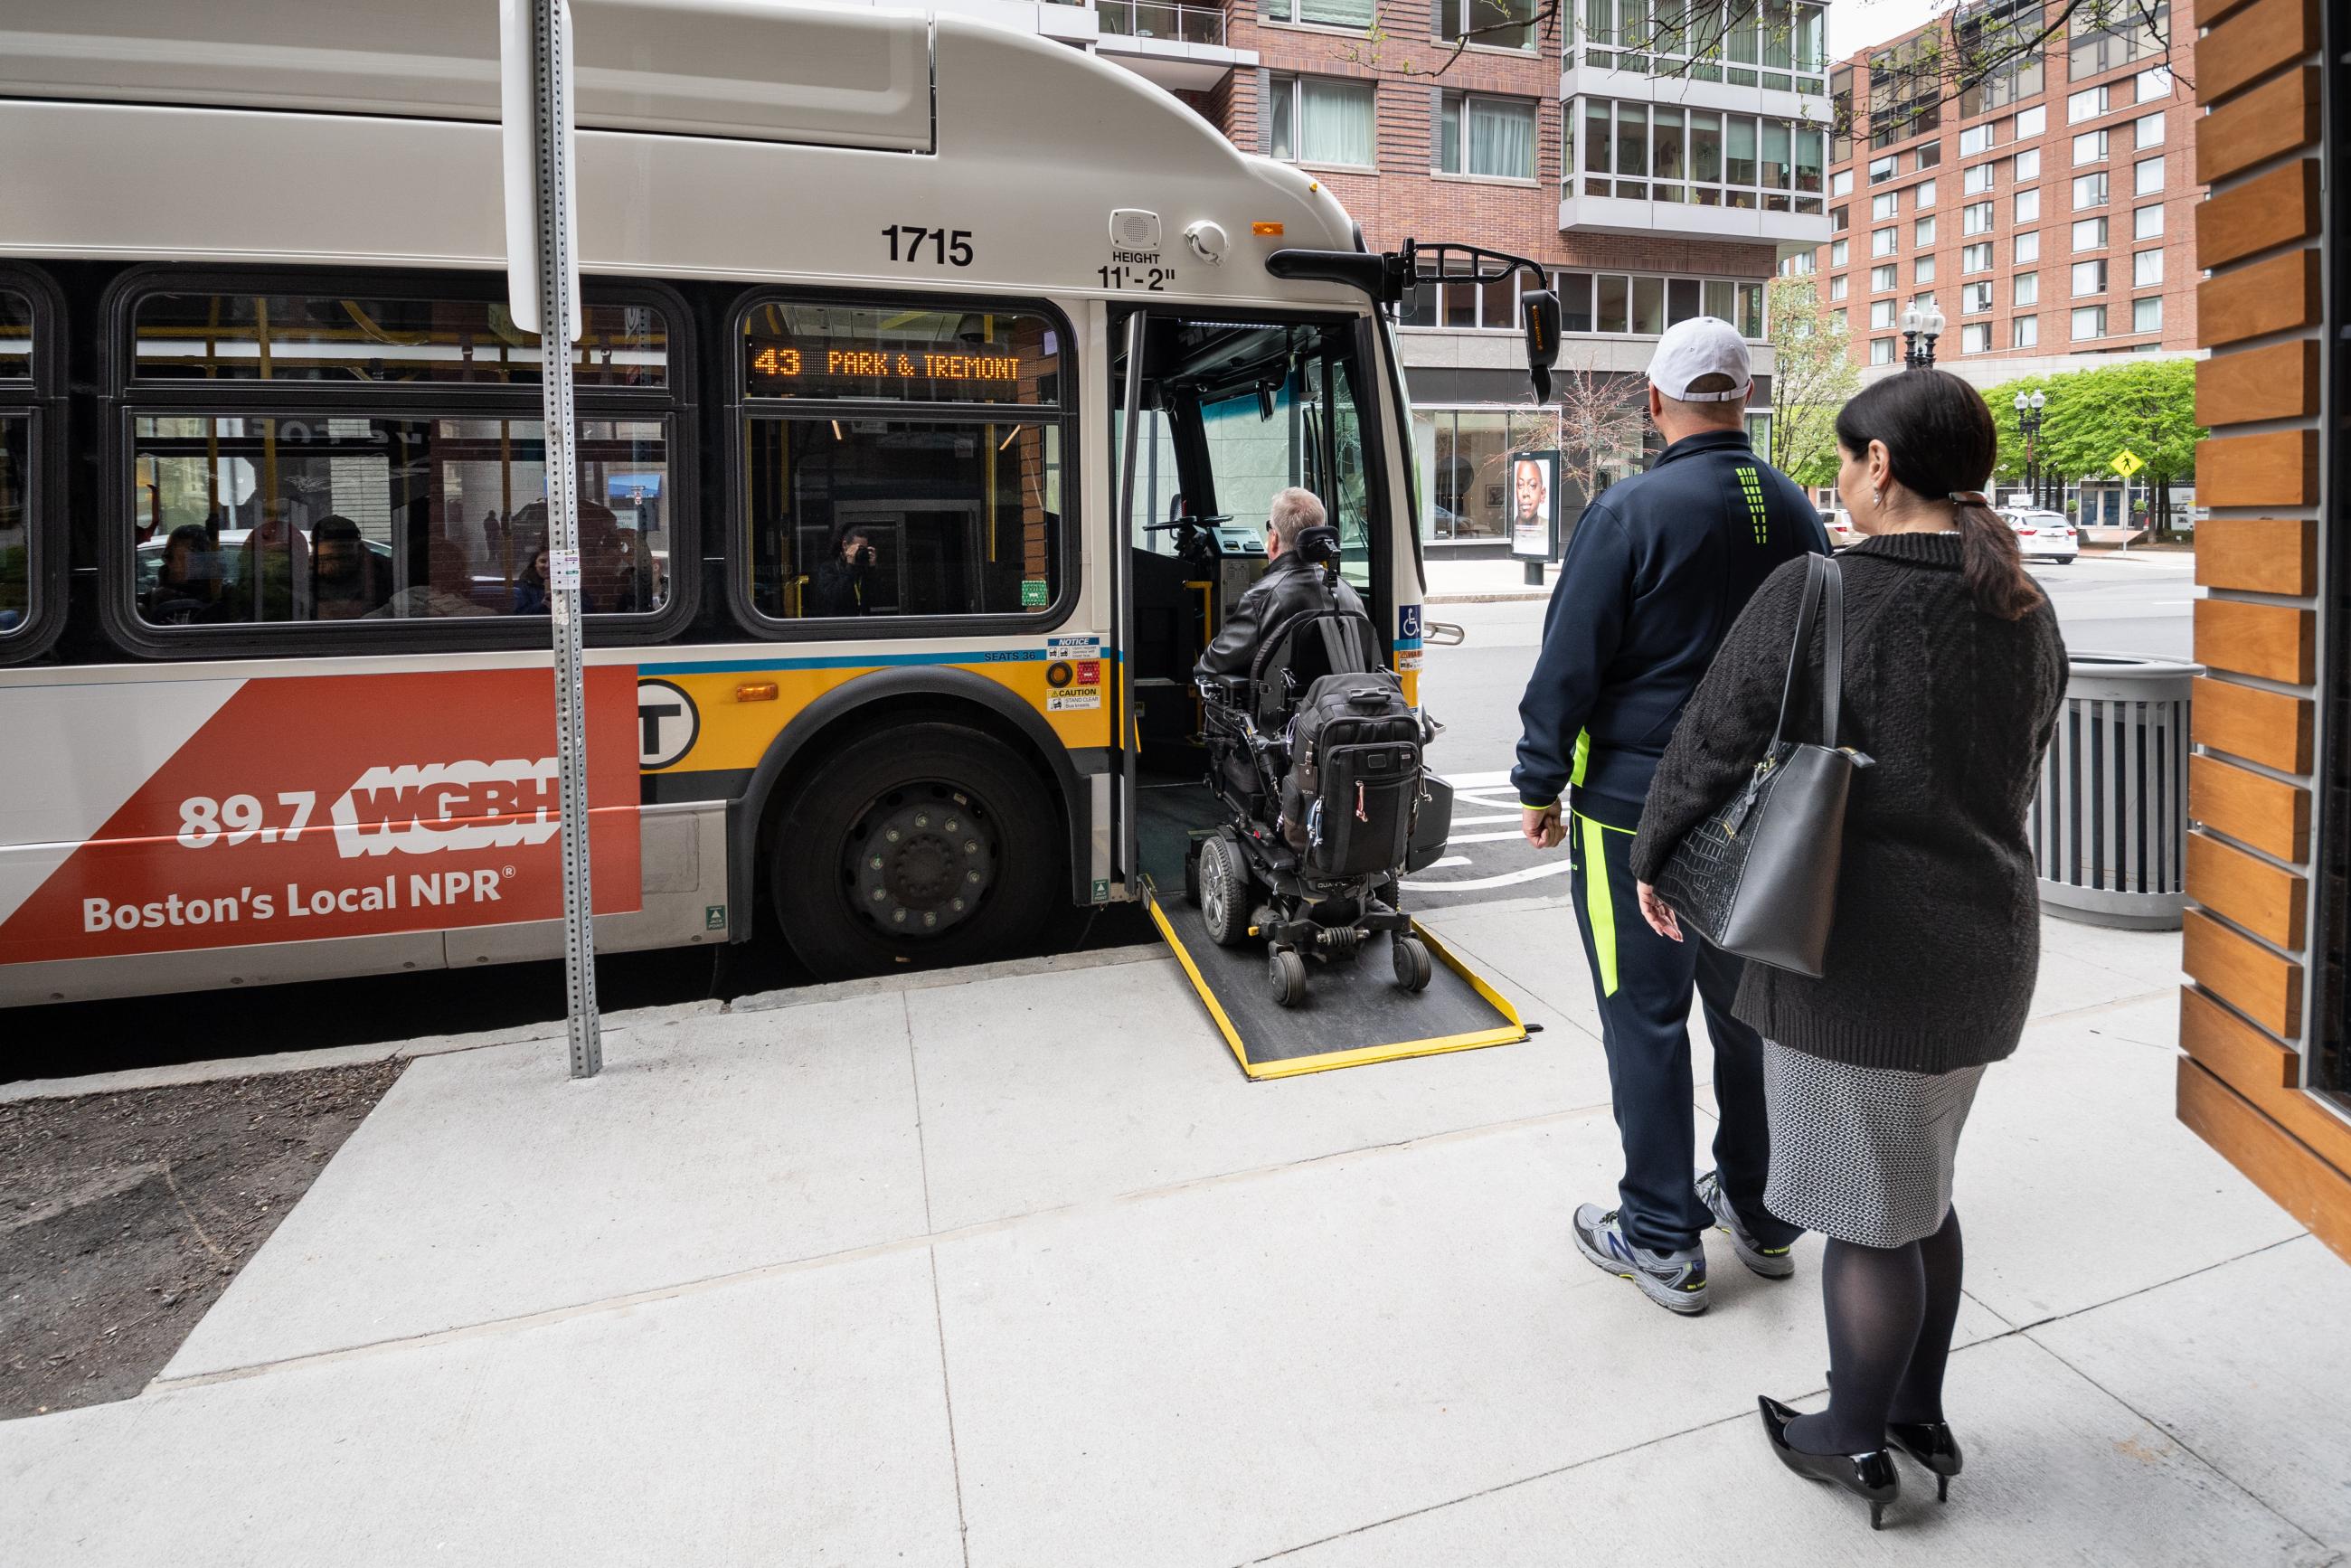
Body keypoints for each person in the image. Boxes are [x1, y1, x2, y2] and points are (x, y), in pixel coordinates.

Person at [1629, 370, 2065, 1523]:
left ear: (1880, 466)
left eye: (1844, 456)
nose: (1836, 476)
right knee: (1918, 1191)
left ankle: (1852, 1435)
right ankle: (1916, 1412)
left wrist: (1653, 858)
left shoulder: (1819, 591)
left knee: (1867, 1217)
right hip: (1981, 950)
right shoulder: (2021, 603)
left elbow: (1710, 739)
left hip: (1854, 956)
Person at [1510, 316, 1830, 1316]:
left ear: (1654, 405)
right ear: (1745, 398)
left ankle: (1656, 1232)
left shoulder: (1629, 512)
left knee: (1642, 1018)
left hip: (1632, 815)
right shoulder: (1797, 511)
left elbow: (1570, 663)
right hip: (1762, 814)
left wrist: (1535, 782)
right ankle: (1763, 1213)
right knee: (1748, 1020)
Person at [1193, 486, 1364, 680]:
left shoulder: (1261, 598)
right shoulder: (1348, 592)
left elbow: (1212, 665)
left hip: (1283, 710)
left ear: (1273, 538)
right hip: (1345, 707)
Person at [143, 523, 224, 625]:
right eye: (169, 557)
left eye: (185, 559)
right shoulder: (153, 599)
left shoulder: (221, 595)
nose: (175, 566)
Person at [310, 515, 389, 620]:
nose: (335, 565)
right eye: (325, 558)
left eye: (343, 557)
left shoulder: (385, 571)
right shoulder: (305, 576)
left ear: (360, 548)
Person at [812, 525, 875, 617]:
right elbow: (835, 597)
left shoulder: (863, 568)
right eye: (858, 548)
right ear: (845, 545)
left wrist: (871, 568)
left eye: (864, 549)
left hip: (863, 621)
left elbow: (876, 597)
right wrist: (850, 566)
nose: (861, 552)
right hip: (839, 623)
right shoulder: (829, 568)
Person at [511, 544, 551, 615]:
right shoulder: (524, 586)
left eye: (553, 561)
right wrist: (542, 605)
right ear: (535, 564)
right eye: (543, 561)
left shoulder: (569, 584)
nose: (547, 565)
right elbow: (519, 614)